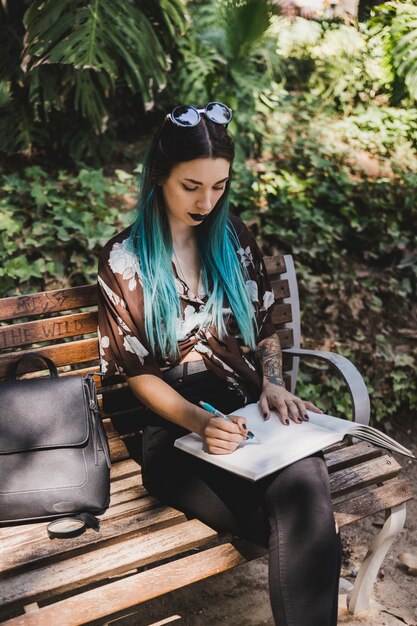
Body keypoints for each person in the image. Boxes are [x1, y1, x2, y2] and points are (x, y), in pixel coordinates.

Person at [97, 102, 341, 625]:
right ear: (159, 175)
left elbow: (268, 328)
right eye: (192, 186)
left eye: (219, 186)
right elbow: (137, 371)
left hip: (247, 411)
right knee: (305, 516)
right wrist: (202, 422)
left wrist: (272, 385)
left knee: (304, 491)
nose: (207, 201)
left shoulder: (234, 240)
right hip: (176, 430)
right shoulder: (124, 260)